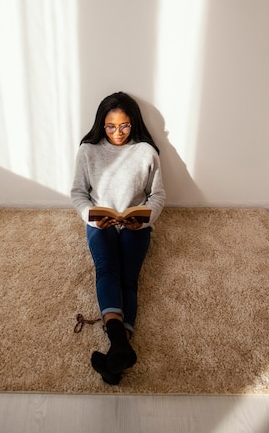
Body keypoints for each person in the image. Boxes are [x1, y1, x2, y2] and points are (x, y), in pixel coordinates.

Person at [71, 92, 165, 385]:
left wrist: (145, 218)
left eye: (124, 126)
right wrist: (92, 216)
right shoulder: (88, 151)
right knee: (106, 269)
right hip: (101, 222)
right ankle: (121, 345)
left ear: (133, 123)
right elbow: (78, 194)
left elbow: (158, 195)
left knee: (128, 276)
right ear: (102, 123)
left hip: (135, 224)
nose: (117, 133)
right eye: (111, 126)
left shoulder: (146, 152)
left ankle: (116, 352)